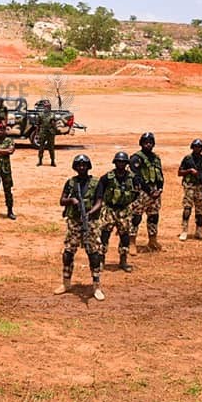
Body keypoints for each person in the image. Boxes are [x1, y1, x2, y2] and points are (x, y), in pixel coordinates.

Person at [55, 154, 105, 300]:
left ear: (88, 166)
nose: (81, 168)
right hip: (74, 222)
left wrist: (89, 213)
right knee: (68, 253)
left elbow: (99, 201)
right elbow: (62, 201)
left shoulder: (96, 182)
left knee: (94, 254)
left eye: (84, 165)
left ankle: (96, 286)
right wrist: (72, 200)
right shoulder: (71, 183)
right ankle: (66, 283)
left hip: (91, 222)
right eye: (79, 165)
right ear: (75, 167)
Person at [95, 151, 137, 273]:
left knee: (125, 236)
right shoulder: (107, 177)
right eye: (119, 162)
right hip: (109, 209)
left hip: (124, 210)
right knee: (104, 234)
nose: (121, 164)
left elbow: (137, 191)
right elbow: (99, 193)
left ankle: (123, 260)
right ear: (115, 163)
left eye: (123, 162)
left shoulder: (132, 178)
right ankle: (101, 260)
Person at [129, 132, 164, 253]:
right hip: (141, 192)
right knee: (136, 217)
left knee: (153, 216)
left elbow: (160, 175)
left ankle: (152, 240)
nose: (148, 144)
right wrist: (149, 191)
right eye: (145, 142)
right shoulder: (135, 158)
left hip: (155, 192)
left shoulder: (156, 158)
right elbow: (136, 177)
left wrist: (160, 189)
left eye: (150, 142)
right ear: (141, 143)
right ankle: (132, 242)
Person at [178, 139, 202, 241]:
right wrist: (189, 171)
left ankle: (199, 231)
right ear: (192, 147)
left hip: (200, 188)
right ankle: (184, 231)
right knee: (187, 208)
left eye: (199, 147)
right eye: (195, 147)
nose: (197, 149)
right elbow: (179, 172)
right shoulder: (188, 159)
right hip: (189, 186)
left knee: (200, 211)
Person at [36, 102, 57, 167]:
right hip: (42, 132)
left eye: (48, 106)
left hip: (50, 133)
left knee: (51, 148)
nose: (47, 108)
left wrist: (54, 131)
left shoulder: (52, 115)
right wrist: (37, 134)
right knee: (41, 147)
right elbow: (38, 125)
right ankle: (40, 161)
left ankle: (52, 161)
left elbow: (54, 125)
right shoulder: (40, 115)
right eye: (45, 106)